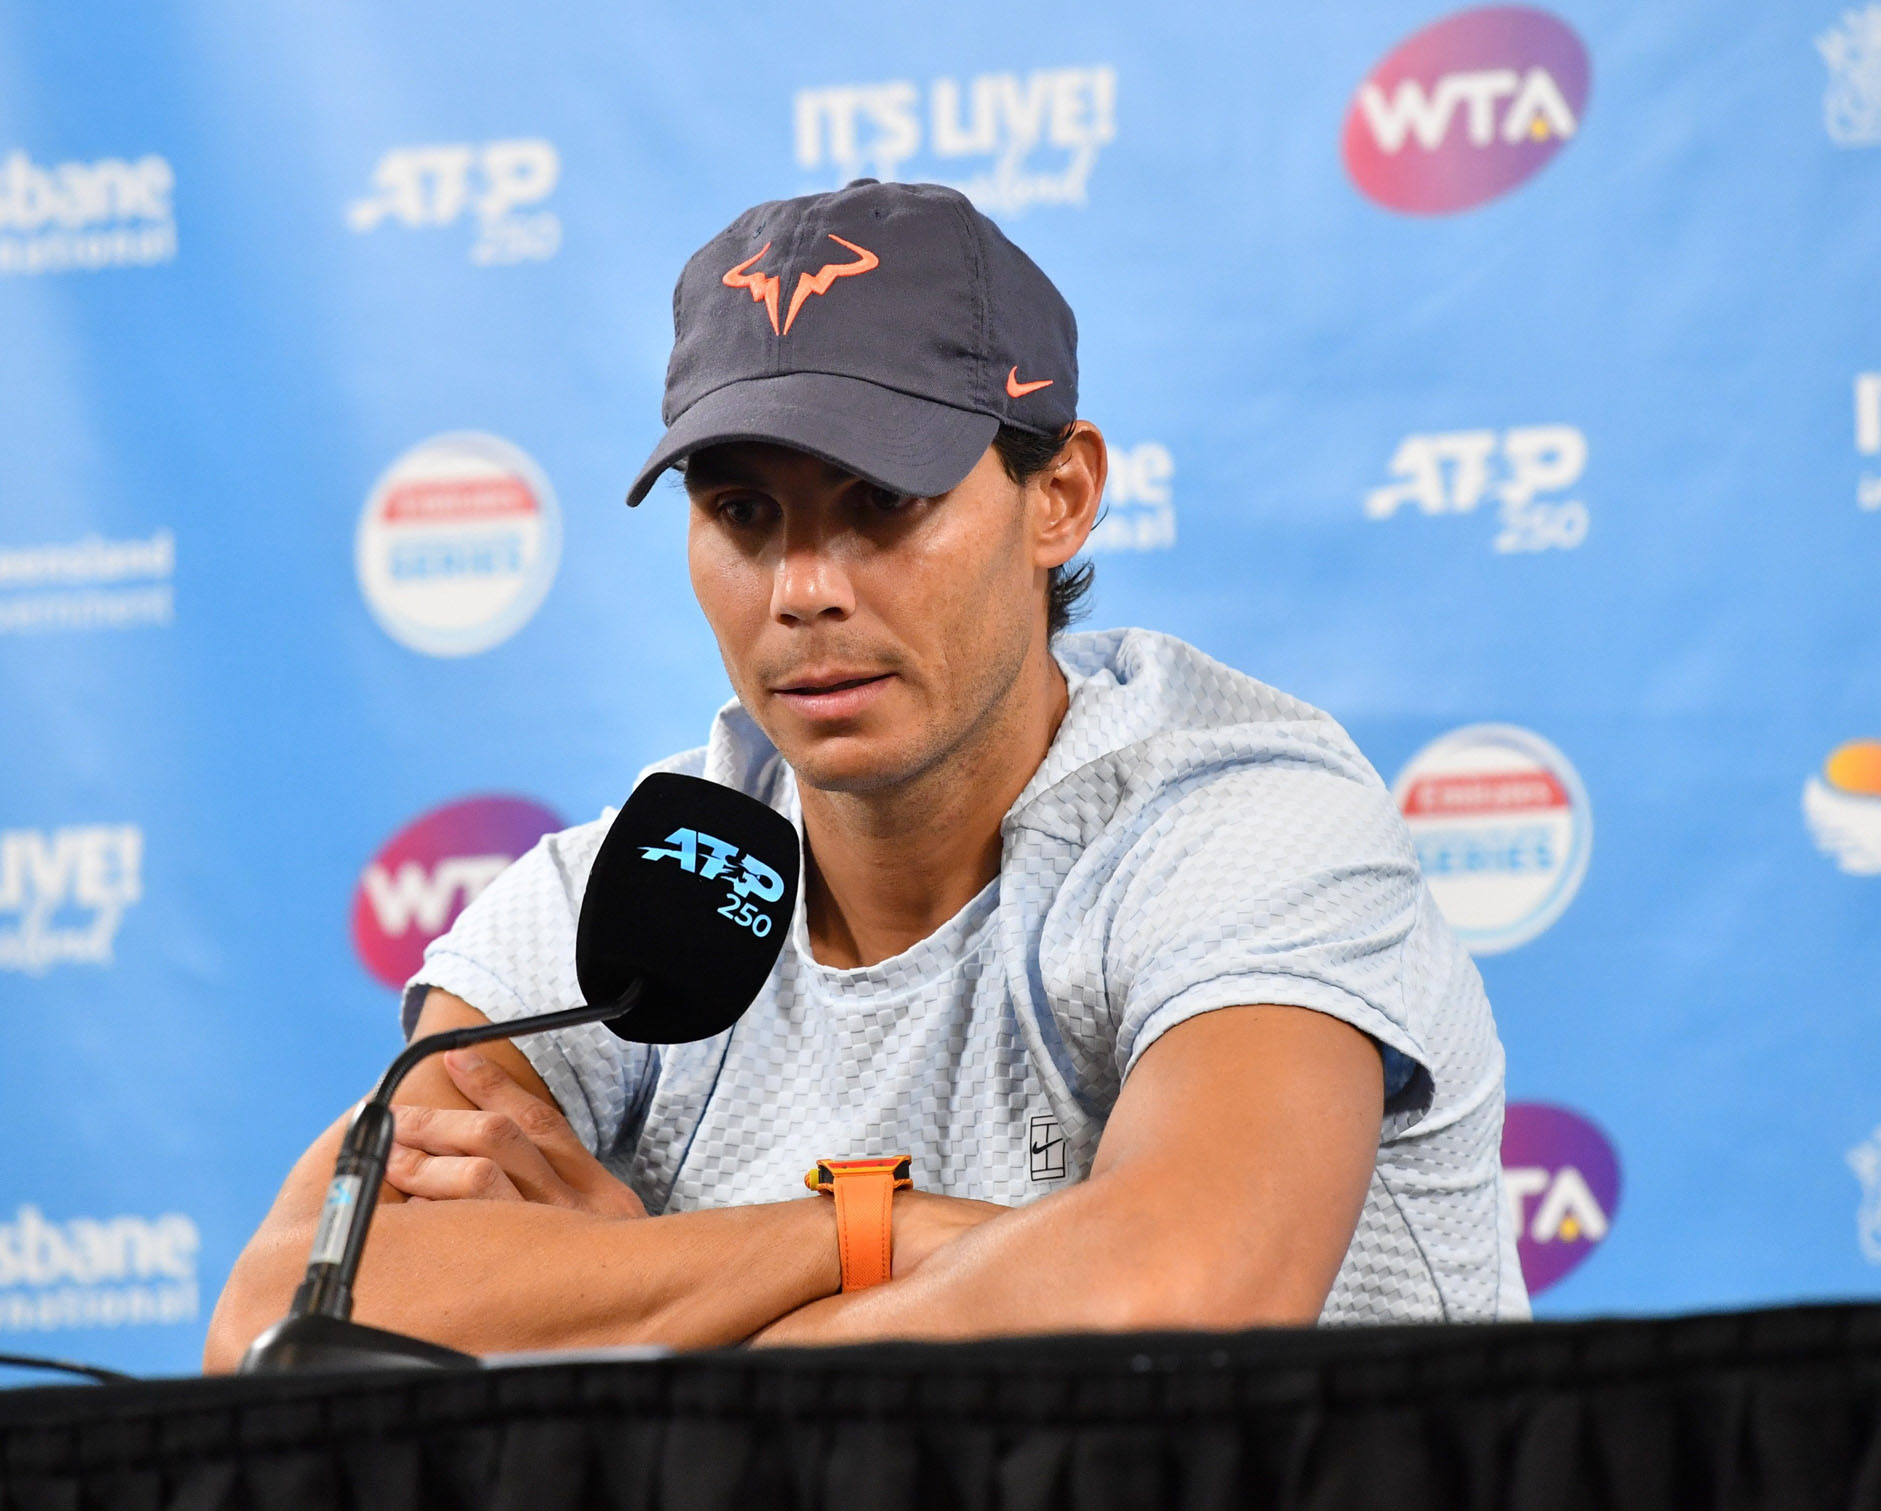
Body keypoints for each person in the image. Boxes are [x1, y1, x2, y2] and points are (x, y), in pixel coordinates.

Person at [205, 180, 1526, 1369]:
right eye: (742, 513)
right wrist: (863, 1234)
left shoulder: (1237, 819)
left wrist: (631, 1307)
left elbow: (1170, 1301)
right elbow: (274, 1322)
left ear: (1059, 495)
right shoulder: (645, 884)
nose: (802, 589)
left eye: (881, 501)